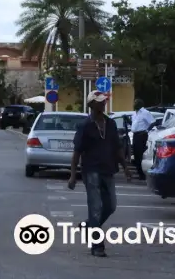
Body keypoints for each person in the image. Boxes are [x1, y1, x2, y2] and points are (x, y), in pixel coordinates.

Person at [68, 91, 131, 257]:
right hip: (91, 171)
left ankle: (88, 226)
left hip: (108, 169)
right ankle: (97, 244)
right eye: (99, 102)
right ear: (91, 105)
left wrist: (125, 168)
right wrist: (73, 175)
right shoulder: (85, 126)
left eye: (103, 102)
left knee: (111, 206)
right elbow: (77, 152)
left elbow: (117, 147)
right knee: (95, 207)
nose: (102, 104)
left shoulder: (110, 124)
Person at [130, 98, 155, 180]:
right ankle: (139, 173)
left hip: (142, 135)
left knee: (140, 154)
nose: (134, 104)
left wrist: (147, 130)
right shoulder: (135, 114)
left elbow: (152, 122)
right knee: (136, 155)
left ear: (140, 104)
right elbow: (135, 125)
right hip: (135, 135)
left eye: (136, 102)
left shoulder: (145, 112)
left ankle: (142, 174)